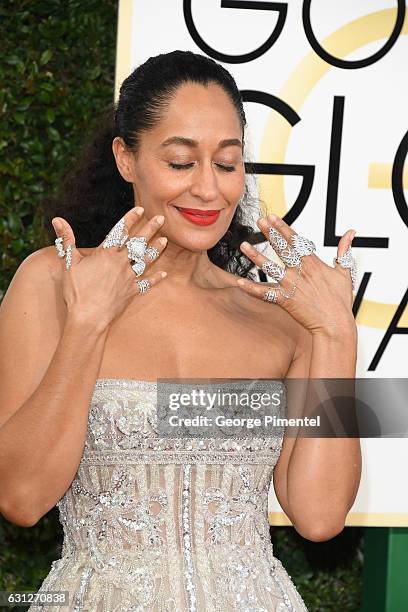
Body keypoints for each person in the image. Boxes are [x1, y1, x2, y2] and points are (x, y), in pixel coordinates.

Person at [0, 50, 361, 611]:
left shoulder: (280, 315)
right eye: (179, 162)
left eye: (226, 163)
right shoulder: (53, 281)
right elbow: (21, 498)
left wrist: (337, 333)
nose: (208, 190)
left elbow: (319, 516)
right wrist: (88, 325)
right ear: (126, 158)